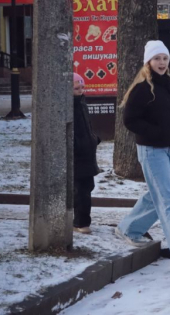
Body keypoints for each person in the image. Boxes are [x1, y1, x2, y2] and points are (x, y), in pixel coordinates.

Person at [115, 40, 170, 274]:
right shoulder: (143, 88)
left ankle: (128, 228)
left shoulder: (166, 86)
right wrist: (158, 133)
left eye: (164, 58)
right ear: (148, 62)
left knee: (159, 196)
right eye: (157, 59)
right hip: (152, 151)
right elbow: (130, 120)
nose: (161, 62)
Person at [72, 73, 101, 234]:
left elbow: (86, 125)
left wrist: (93, 139)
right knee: (80, 190)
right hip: (79, 154)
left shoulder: (81, 103)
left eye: (82, 87)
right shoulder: (71, 104)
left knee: (87, 187)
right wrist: (82, 144)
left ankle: (82, 221)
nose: (81, 91)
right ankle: (81, 222)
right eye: (77, 88)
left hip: (87, 153)